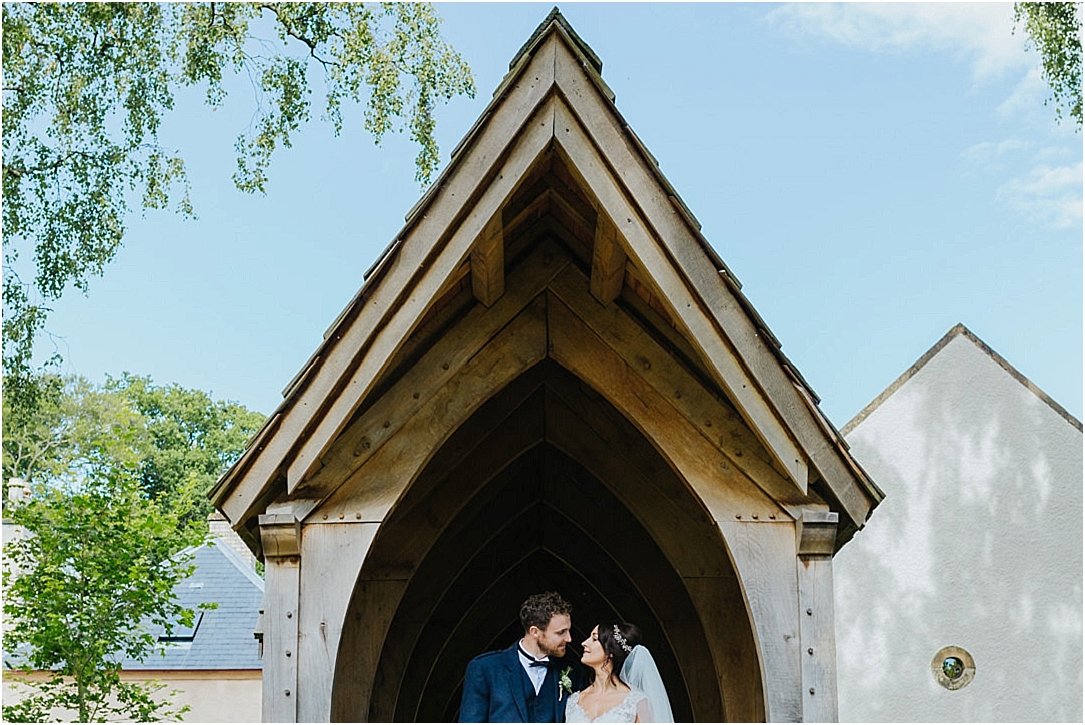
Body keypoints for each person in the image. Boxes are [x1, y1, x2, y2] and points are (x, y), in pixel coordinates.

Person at [460, 591, 585, 722]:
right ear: (535, 632)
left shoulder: (574, 673)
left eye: (568, 631)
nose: (569, 638)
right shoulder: (486, 668)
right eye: (561, 632)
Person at [564, 623, 673, 723]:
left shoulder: (635, 702)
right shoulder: (574, 700)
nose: (584, 643)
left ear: (610, 651)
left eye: (594, 639)